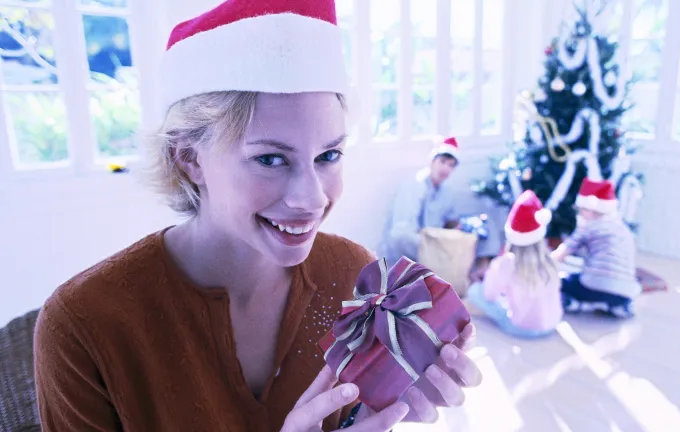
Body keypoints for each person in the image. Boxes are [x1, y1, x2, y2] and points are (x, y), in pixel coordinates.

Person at [32, 1, 482, 431]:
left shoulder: (354, 277)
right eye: (270, 159)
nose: (312, 198)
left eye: (328, 155)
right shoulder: (82, 327)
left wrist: (381, 406)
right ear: (189, 159)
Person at [467, 191, 562, 338]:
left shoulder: (507, 262)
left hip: (522, 329)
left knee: (475, 291)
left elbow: (489, 295)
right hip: (551, 325)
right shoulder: (549, 259)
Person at [552, 178, 641, 318]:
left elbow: (561, 254)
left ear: (589, 209)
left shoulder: (587, 227)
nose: (579, 214)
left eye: (580, 210)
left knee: (562, 281)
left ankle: (575, 304)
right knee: (613, 288)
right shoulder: (622, 228)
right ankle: (618, 306)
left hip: (594, 285)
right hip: (626, 290)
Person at [379, 137, 461, 264]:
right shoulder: (414, 186)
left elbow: (451, 221)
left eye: (451, 165)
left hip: (431, 248)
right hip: (405, 255)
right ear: (432, 161)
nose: (445, 168)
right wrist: (432, 250)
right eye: (442, 162)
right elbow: (402, 233)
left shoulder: (446, 191)